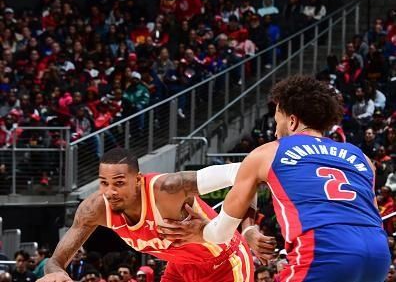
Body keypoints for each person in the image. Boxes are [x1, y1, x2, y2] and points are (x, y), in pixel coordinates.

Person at [162, 75, 390, 281]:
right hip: (378, 254)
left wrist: (200, 231)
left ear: (292, 121)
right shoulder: (362, 158)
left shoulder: (268, 152)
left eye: (277, 120)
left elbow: (221, 232)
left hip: (325, 251)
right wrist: (250, 230)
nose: (274, 130)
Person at [37, 148, 274, 282]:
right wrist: (57, 275)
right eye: (104, 183)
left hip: (223, 263)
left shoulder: (168, 188)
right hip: (179, 268)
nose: (110, 191)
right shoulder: (95, 209)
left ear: (138, 180)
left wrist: (249, 228)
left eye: (119, 183)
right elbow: (55, 261)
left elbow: (247, 171)